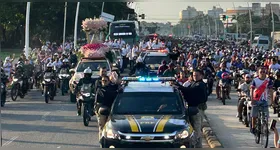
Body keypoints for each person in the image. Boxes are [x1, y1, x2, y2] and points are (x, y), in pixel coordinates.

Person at [173, 70, 207, 148]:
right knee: (192, 131)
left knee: (197, 130)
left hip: (197, 110)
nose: (195, 77)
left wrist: (179, 86)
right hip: (190, 109)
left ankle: (194, 146)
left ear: (201, 76)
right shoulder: (193, 83)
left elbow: (190, 91)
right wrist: (178, 85)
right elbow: (186, 90)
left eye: (197, 75)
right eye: (194, 75)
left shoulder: (200, 85)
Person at [250, 67, 273, 134]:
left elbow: (271, 90)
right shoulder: (255, 80)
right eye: (261, 72)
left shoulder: (268, 80)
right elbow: (252, 89)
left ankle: (266, 128)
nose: (262, 73)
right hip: (256, 99)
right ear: (258, 73)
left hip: (264, 100)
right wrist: (252, 99)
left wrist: (271, 101)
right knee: (254, 115)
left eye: (264, 72)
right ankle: (253, 127)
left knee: (266, 116)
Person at [95, 75, 119, 139]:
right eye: (103, 81)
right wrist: (96, 111)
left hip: (111, 110)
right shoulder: (100, 89)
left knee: (110, 128)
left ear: (109, 81)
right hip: (102, 110)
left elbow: (116, 89)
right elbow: (97, 100)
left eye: (105, 81)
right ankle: (102, 140)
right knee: (101, 127)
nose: (104, 82)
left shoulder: (113, 88)